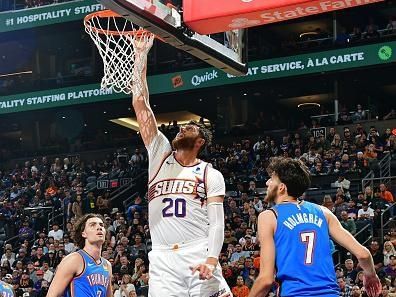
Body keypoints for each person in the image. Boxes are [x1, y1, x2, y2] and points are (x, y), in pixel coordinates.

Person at [132, 40, 231, 297]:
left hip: (197, 250)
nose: (181, 128)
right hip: (163, 257)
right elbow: (140, 104)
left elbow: (217, 223)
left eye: (190, 128)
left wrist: (212, 258)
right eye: (181, 127)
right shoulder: (160, 154)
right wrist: (140, 55)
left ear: (200, 142)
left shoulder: (211, 173)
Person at [249, 157, 381, 297]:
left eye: (271, 178)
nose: (267, 182)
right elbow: (363, 254)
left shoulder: (269, 217)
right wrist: (371, 275)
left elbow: (266, 280)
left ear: (282, 187)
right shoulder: (323, 212)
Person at [47, 214, 113, 297]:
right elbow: (52, 295)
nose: (99, 227)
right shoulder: (74, 259)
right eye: (92, 225)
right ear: (83, 233)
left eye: (101, 225)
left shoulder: (107, 265)